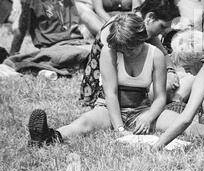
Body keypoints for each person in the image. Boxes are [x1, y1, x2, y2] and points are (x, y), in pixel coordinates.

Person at [27, 13, 168, 147]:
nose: (127, 53)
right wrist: (120, 129)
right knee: (84, 124)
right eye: (123, 50)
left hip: (140, 110)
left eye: (131, 49)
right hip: (108, 108)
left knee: (174, 121)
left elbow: (160, 96)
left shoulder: (156, 55)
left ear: (141, 39)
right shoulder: (109, 51)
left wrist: (149, 117)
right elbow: (110, 93)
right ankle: (46, 137)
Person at [4, 0, 96, 75]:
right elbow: (21, 29)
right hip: (54, 49)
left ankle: (50, 68)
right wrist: (12, 55)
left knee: (94, 51)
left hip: (77, 43)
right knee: (83, 53)